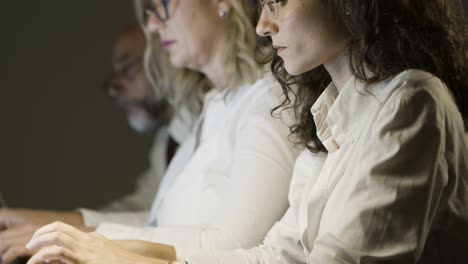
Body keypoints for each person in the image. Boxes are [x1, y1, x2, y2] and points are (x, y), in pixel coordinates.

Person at [24, 0, 468, 263]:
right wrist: (111, 252)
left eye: (279, 0)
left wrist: (116, 252)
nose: (262, 25)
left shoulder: (411, 100)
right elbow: (272, 256)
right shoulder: (325, 115)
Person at [0, 23, 198, 264]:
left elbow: (166, 226)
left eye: (128, 68)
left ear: (168, 54)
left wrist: (69, 233)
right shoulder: (165, 143)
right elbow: (141, 210)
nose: (114, 88)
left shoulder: (209, 125)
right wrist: (45, 225)